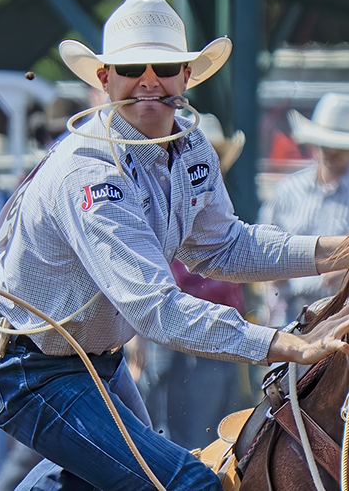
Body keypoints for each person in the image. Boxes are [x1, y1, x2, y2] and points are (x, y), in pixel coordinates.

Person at [0, 0, 349, 491]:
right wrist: (287, 344)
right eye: (132, 66)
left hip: (93, 362)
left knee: (107, 481)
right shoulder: (91, 175)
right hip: (30, 370)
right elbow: (156, 309)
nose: (149, 78)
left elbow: (223, 247)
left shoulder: (191, 145)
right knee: (186, 484)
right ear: (105, 79)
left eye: (166, 66)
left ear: (186, 77)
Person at [130, 113, 252, 451]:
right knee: (188, 439)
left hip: (216, 336)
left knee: (212, 436)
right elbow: (146, 274)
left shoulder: (207, 204)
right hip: (181, 334)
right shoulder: (167, 202)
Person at [257, 93, 349, 328]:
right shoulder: (287, 191)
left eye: (339, 145)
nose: (331, 151)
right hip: (287, 318)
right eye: (325, 143)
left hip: (348, 321)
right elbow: (262, 249)